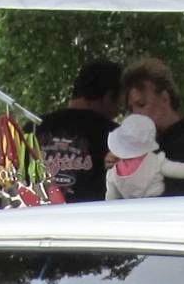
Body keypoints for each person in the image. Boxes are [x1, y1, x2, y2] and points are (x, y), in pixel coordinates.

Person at [120, 56, 184, 195]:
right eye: (131, 108)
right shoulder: (159, 145)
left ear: (164, 99)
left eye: (141, 105)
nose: (135, 114)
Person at [35, 58, 121, 203]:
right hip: (90, 221)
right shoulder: (116, 136)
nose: (118, 111)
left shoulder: (34, 126)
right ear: (108, 97)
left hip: (31, 220)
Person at [103, 114, 184, 200]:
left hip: (133, 209)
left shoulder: (113, 173)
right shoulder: (155, 161)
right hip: (157, 203)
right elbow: (175, 169)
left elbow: (111, 199)